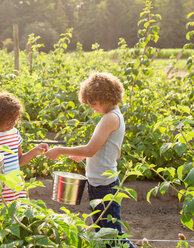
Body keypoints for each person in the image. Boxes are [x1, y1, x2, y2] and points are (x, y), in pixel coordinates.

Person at [45, 72, 136, 248]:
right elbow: (107, 150)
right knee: (103, 235)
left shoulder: (110, 118)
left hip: (105, 187)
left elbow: (91, 149)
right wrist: (83, 155)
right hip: (99, 184)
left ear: (106, 97)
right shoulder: (113, 116)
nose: (92, 107)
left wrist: (60, 150)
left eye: (93, 103)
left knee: (114, 236)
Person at [0, 92, 48, 206]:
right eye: (10, 119)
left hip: (18, 192)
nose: (14, 122)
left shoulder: (14, 133)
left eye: (16, 119)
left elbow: (19, 161)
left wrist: (35, 151)